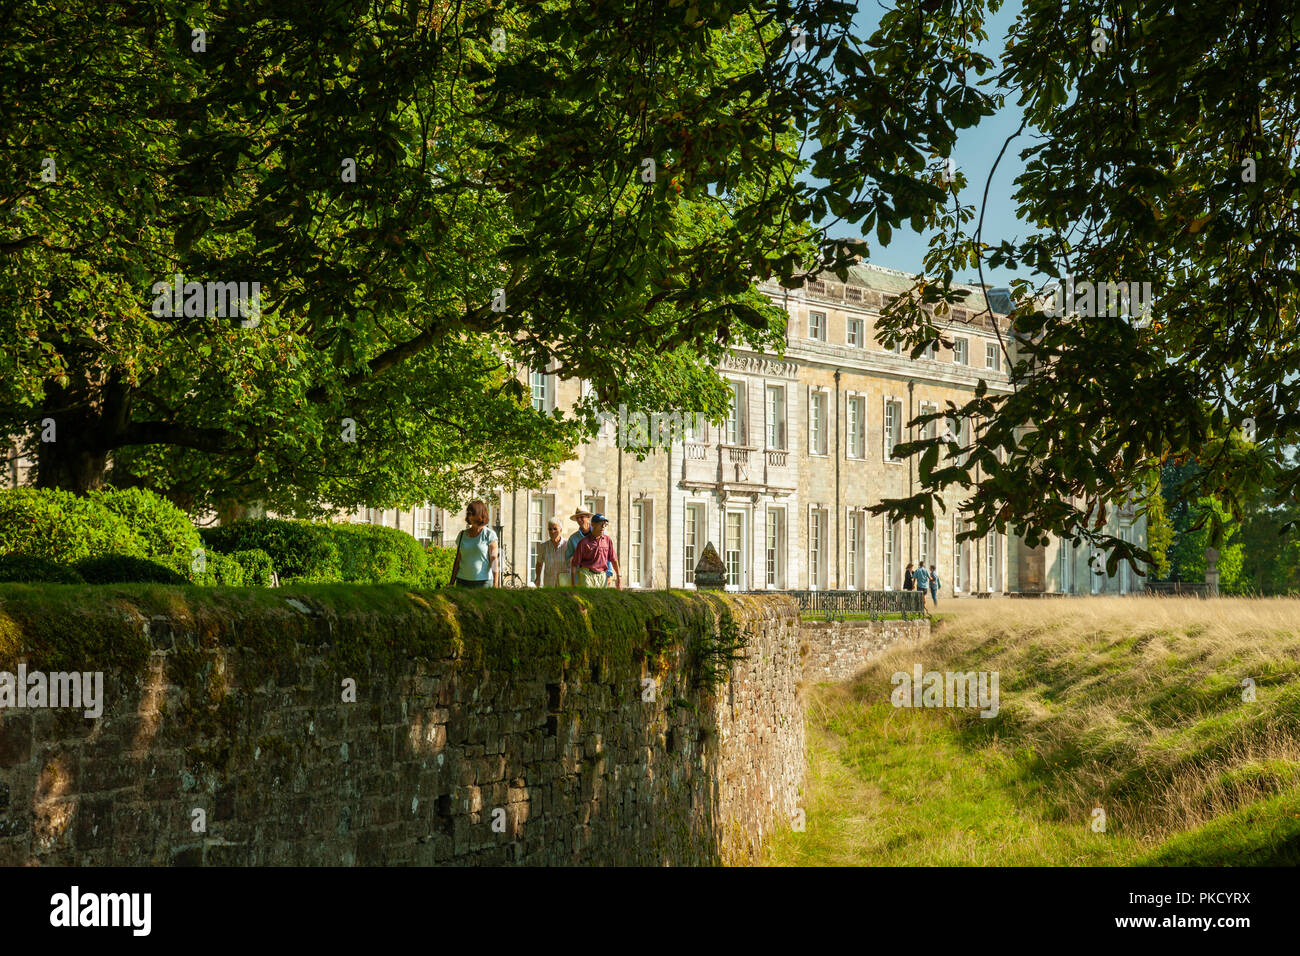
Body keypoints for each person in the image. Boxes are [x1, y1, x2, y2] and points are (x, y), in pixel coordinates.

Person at [448, 499, 500, 588]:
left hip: (484, 583)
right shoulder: (462, 535)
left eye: (472, 513)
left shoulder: (490, 535)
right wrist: (451, 583)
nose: (470, 516)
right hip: (462, 582)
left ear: (480, 514)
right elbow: (457, 560)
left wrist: (495, 585)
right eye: (468, 513)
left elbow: (494, 560)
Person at [571, 513, 620, 589]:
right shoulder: (583, 542)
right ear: (593, 524)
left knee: (601, 600)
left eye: (605, 524)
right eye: (600, 524)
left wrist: (618, 577)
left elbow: (614, 559)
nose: (603, 527)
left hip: (602, 576)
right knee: (587, 598)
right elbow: (574, 564)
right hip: (586, 574)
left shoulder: (607, 540)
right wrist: (573, 584)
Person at [534, 518, 570, 587]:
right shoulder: (543, 547)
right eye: (550, 529)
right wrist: (538, 577)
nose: (552, 531)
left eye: (555, 529)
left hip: (565, 584)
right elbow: (539, 564)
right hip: (549, 583)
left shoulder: (568, 545)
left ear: (561, 530)